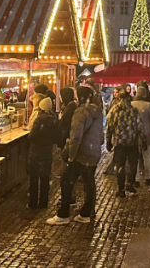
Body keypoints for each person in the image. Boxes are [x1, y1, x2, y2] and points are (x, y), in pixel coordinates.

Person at [48, 86, 104, 225]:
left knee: (66, 181)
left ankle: (63, 214)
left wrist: (71, 155)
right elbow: (101, 137)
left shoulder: (80, 112)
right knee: (89, 182)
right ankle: (86, 214)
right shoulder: (97, 111)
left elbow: (76, 137)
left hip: (81, 153)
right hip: (94, 152)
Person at [106, 91, 144, 197]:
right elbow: (140, 126)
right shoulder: (134, 111)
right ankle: (129, 183)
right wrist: (143, 139)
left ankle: (121, 188)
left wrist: (108, 141)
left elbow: (109, 126)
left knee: (119, 166)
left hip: (119, 143)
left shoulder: (114, 110)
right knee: (132, 164)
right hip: (132, 142)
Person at [28, 97, 58, 209]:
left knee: (34, 177)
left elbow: (32, 135)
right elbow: (55, 136)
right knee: (45, 178)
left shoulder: (39, 119)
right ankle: (43, 203)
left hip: (36, 151)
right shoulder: (54, 119)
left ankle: (33, 202)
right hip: (47, 151)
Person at [131, 86, 150, 186]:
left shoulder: (131, 104)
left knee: (136, 157)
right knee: (147, 156)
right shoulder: (147, 105)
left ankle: (137, 178)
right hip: (147, 134)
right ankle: (148, 177)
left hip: (134, 134)